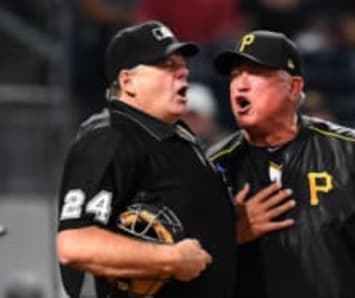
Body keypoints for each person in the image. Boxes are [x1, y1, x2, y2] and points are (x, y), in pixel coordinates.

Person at [208, 30, 355, 298]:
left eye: (255, 73)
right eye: (235, 75)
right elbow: (183, 261)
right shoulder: (213, 168)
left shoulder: (353, 153)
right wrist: (231, 236)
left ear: (294, 87)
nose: (240, 84)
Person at [56, 21, 236, 298]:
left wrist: (236, 230)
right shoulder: (110, 136)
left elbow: (186, 233)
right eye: (167, 66)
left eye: (183, 64)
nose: (183, 72)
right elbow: (75, 244)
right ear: (128, 81)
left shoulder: (175, 137)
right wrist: (169, 259)